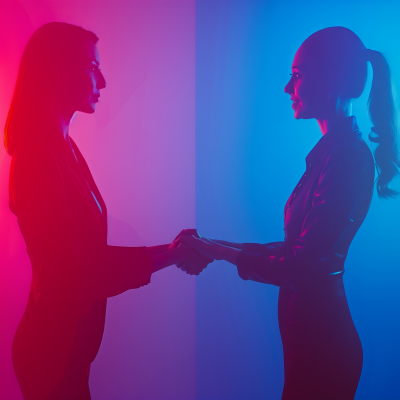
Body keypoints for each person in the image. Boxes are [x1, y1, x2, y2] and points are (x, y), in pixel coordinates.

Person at [176, 27, 400, 400]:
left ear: (329, 80)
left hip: (323, 349)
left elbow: (299, 266)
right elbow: (297, 246)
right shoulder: (332, 153)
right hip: (312, 343)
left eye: (297, 76)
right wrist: (210, 244)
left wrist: (214, 251)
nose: (287, 88)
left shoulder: (346, 158)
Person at [5, 22, 209, 400]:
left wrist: (170, 250)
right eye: (91, 67)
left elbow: (90, 257)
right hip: (51, 352)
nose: (103, 80)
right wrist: (171, 256)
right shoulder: (36, 158)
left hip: (70, 350)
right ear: (57, 71)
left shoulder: (63, 148)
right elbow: (74, 275)